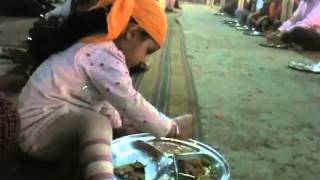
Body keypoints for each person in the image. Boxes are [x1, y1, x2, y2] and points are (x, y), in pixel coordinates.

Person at [18, 0, 193, 180]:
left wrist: (118, 127)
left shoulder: (99, 51)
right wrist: (171, 129)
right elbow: (131, 102)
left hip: (53, 126)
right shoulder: (103, 54)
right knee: (97, 123)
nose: (144, 61)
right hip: (39, 132)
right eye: (147, 51)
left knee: (107, 120)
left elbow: (104, 101)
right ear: (132, 32)